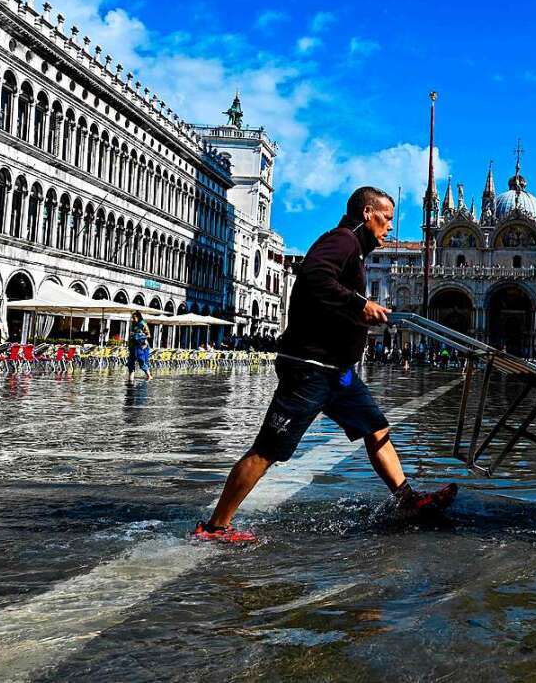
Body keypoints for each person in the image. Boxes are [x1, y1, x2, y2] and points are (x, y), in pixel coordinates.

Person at [194, 187, 456, 542]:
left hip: (339, 372)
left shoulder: (356, 251)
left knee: (377, 429)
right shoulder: (342, 240)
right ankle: (214, 527)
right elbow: (315, 276)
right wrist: (359, 304)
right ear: (367, 212)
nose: (390, 227)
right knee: (268, 449)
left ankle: (408, 499)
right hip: (309, 368)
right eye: (387, 218)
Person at [126, 310, 153, 383]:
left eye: (134, 318)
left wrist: (139, 336)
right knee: (130, 363)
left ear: (138, 317)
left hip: (141, 346)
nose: (133, 319)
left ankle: (149, 376)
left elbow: (148, 335)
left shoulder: (143, 324)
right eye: (132, 318)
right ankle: (130, 380)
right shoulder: (133, 324)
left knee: (141, 361)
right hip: (133, 346)